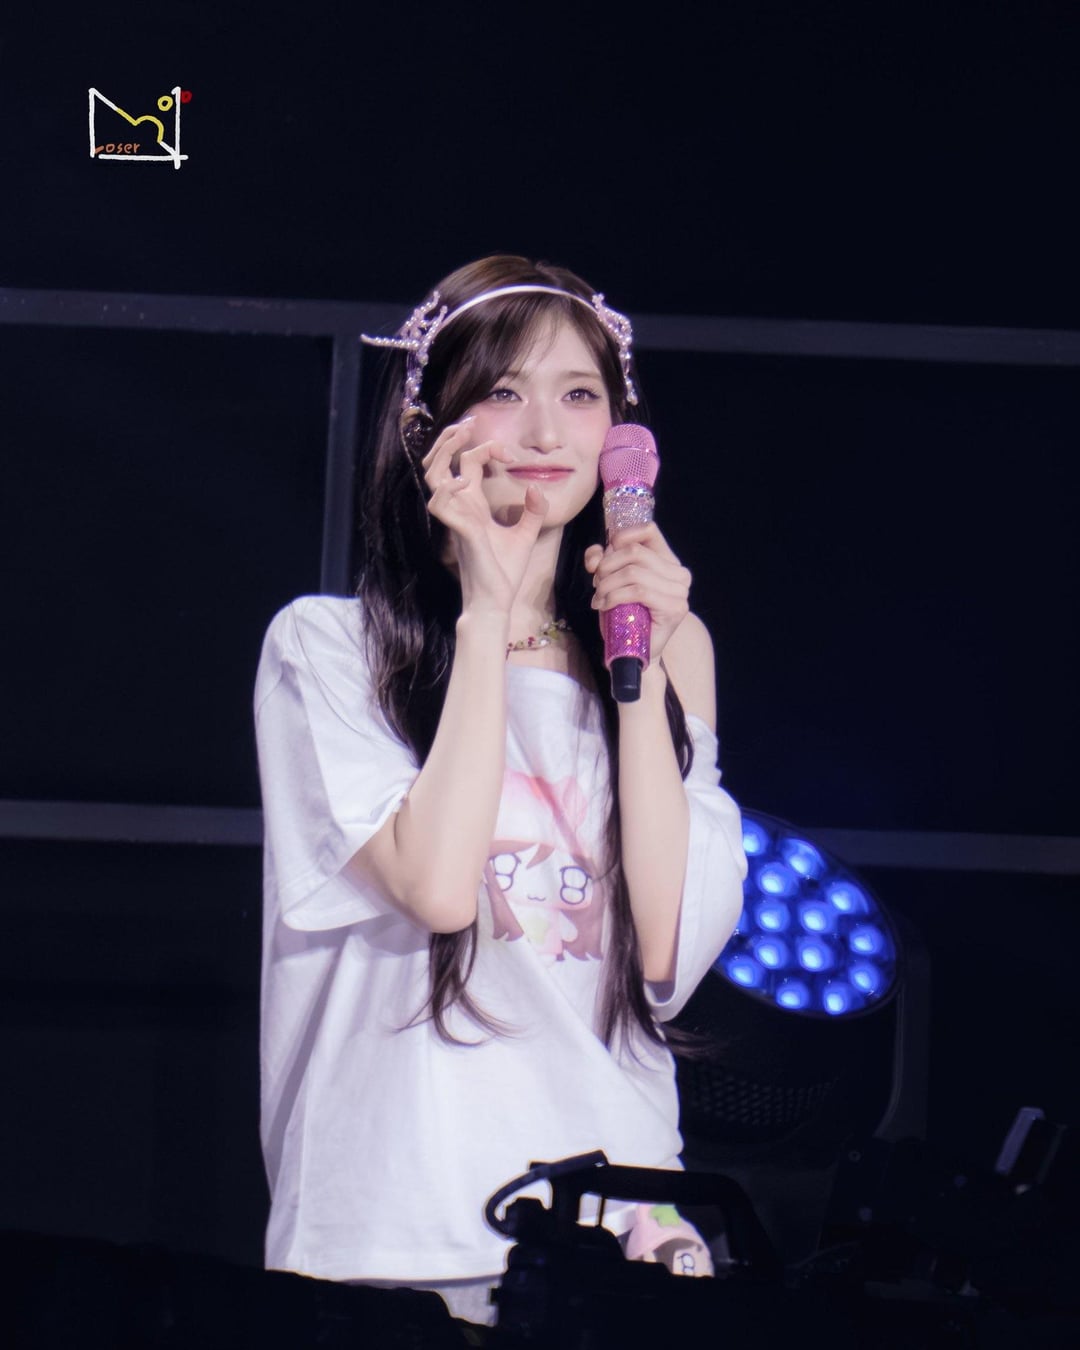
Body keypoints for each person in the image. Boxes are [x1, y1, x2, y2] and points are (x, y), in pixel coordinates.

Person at [253, 255, 747, 1327]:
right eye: (504, 392)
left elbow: (664, 957)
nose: (545, 431)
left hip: (617, 1229)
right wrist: (487, 610)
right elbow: (438, 889)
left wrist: (642, 665)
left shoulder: (675, 648)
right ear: (429, 429)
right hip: (395, 1228)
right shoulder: (328, 648)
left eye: (580, 395)